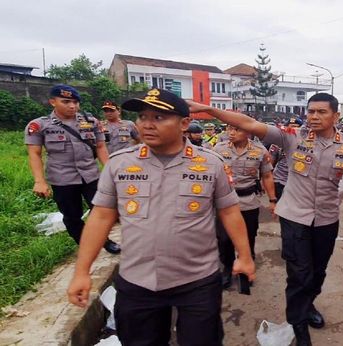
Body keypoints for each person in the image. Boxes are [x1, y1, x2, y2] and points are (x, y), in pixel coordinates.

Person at [66, 88, 256, 345]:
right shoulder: (119, 163)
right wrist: (82, 272)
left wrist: (244, 257)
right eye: (143, 116)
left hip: (197, 280)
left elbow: (229, 210)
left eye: (158, 118)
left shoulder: (210, 163)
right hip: (137, 280)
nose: (147, 124)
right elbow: (100, 217)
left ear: (184, 123)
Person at [186, 93, 343, 346]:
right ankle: (299, 329)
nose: (314, 117)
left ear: (336, 116)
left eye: (321, 112)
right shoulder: (291, 136)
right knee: (299, 274)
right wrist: (208, 109)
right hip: (295, 217)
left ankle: (307, 306)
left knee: (317, 272)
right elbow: (249, 124)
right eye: (311, 112)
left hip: (327, 219)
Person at [24, 85, 120, 254]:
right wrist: (39, 181)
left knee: (103, 210)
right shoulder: (39, 125)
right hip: (62, 179)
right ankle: (86, 246)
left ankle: (103, 240)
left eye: (75, 102)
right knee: (72, 216)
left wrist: (111, 171)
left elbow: (100, 147)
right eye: (66, 101)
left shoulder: (91, 122)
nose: (72, 106)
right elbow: (34, 153)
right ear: (52, 102)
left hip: (91, 176)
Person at [213, 125, 276, 288]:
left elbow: (267, 176)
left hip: (248, 201)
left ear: (248, 132)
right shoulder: (218, 149)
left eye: (237, 129)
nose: (231, 133)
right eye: (229, 129)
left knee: (248, 237)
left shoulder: (260, 151)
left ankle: (245, 268)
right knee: (224, 239)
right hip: (224, 203)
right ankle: (227, 268)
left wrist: (272, 200)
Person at [269, 117, 303, 200]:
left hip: (297, 183)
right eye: (291, 126)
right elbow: (270, 165)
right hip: (280, 181)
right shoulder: (277, 144)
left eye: (296, 126)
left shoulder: (306, 145)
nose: (294, 128)